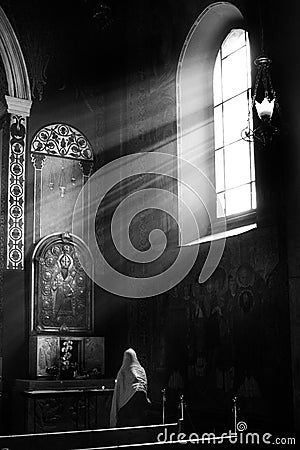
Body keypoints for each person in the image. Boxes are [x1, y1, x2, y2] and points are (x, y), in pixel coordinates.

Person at [110, 348, 150, 428]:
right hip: (140, 409)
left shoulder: (123, 371)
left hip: (126, 409)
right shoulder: (141, 370)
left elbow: (119, 388)